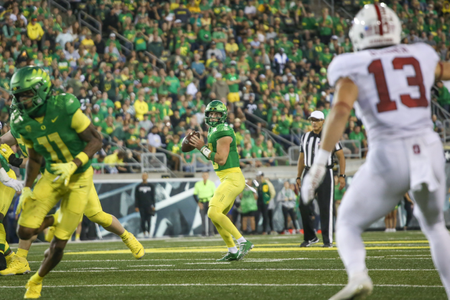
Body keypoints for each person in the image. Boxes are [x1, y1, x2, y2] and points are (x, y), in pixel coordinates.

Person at [301, 4, 450, 299]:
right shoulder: (420, 54)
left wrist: (320, 162)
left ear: (358, 33)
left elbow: (341, 109)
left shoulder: (351, 64)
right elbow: (445, 71)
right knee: (435, 226)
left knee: (347, 222)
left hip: (389, 153)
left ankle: (358, 274)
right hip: (429, 149)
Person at [6, 66, 144, 298]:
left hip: (76, 171)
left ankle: (126, 236)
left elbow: (93, 140)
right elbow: (28, 155)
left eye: (26, 97)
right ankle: (21, 260)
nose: (22, 103)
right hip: (49, 174)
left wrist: (14, 159)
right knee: (27, 222)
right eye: (18, 98)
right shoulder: (21, 123)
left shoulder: (61, 109)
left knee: (96, 215)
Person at [189, 100, 253, 261]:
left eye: (217, 114)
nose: (213, 116)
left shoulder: (223, 131)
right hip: (228, 178)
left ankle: (243, 242)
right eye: (211, 113)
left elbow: (222, 159)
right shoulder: (214, 130)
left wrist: (201, 147)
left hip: (232, 178)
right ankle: (232, 250)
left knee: (212, 211)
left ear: (223, 116)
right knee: (217, 215)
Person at [296, 111, 346, 248]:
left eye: (317, 120)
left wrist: (342, 175)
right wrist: (298, 176)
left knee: (326, 207)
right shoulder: (305, 137)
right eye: (312, 120)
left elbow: (341, 156)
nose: (314, 122)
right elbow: (301, 158)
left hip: (325, 171)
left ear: (323, 121)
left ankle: (327, 240)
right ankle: (310, 237)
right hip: (308, 172)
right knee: (303, 205)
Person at [193, 172, 216, 236]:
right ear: (202, 176)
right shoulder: (198, 184)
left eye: (206, 175)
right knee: (202, 218)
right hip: (202, 202)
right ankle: (203, 232)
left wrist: (211, 202)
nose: (205, 176)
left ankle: (211, 232)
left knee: (210, 218)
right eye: (204, 175)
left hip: (209, 201)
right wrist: (198, 202)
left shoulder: (211, 183)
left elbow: (214, 194)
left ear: (208, 176)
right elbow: (194, 194)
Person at [135, 173, 156, 238]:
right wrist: (136, 206)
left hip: (149, 205)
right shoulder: (138, 186)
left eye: (145, 176)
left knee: (149, 219)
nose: (144, 177)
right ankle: (144, 233)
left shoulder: (151, 186)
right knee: (143, 220)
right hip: (141, 206)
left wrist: (153, 205)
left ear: (147, 177)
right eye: (143, 176)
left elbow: (153, 196)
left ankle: (149, 233)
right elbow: (136, 197)